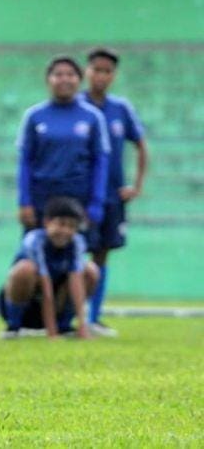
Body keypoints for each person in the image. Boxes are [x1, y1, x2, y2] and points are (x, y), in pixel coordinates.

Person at [80, 47, 148, 338]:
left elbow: (141, 145)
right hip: (80, 197)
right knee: (73, 253)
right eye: (96, 69)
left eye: (107, 71)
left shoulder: (121, 109)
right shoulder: (77, 105)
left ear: (113, 75)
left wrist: (136, 185)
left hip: (112, 197)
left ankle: (93, 318)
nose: (101, 76)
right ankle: (67, 316)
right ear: (87, 71)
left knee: (102, 254)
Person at [17, 55, 110, 232]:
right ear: (48, 80)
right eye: (58, 75)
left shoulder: (92, 117)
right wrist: (24, 202)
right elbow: (25, 161)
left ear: (79, 80)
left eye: (70, 74)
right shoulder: (34, 116)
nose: (64, 79)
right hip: (42, 196)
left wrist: (96, 202)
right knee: (35, 253)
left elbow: (100, 161)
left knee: (77, 253)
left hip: (78, 195)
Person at [0, 196, 98, 339]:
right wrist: (52, 333)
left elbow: (76, 282)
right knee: (25, 269)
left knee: (90, 271)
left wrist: (82, 325)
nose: (65, 231)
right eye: (61, 224)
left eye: (71, 226)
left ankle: (65, 326)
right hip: (31, 301)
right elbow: (46, 289)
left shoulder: (77, 242)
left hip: (57, 302)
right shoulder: (35, 241)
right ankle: (14, 326)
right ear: (46, 223)